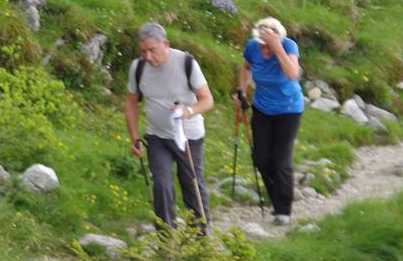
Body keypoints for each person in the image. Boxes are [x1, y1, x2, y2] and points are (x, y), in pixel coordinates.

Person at [124, 23, 215, 230]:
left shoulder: (186, 63)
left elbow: (207, 100)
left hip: (189, 137)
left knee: (191, 184)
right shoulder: (138, 67)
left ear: (165, 44)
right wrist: (135, 138)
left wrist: (188, 111)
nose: (147, 56)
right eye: (143, 51)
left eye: (152, 50)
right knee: (161, 184)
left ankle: (200, 236)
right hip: (157, 137)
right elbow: (130, 102)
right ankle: (165, 237)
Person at [236, 17, 303, 225]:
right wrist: (241, 91)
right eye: (261, 43)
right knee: (261, 158)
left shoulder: (288, 45)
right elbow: (246, 67)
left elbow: (292, 73)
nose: (264, 48)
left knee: (281, 159)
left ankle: (283, 209)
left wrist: (277, 49)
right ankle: (276, 196)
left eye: (267, 44)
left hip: (289, 109)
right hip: (262, 108)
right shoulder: (252, 46)